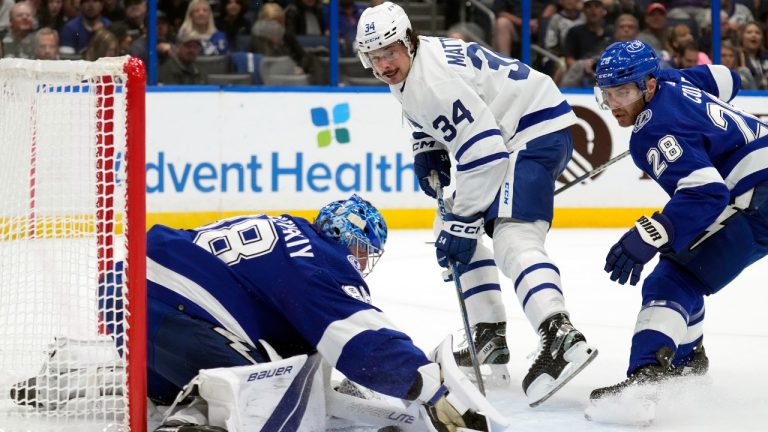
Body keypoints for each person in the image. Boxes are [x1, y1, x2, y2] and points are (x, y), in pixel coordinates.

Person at [355, 2, 598, 407]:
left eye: (390, 52)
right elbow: (442, 111)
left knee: (512, 236)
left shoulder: (430, 82)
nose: (384, 65)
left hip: (528, 134)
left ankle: (561, 338)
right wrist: (427, 143)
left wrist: (464, 220)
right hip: (519, 130)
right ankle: (487, 336)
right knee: (448, 225)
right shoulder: (418, 59)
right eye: (374, 56)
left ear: (408, 42)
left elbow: (484, 153)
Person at [142, 194, 504, 431]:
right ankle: (185, 423)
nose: (362, 262)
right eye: (363, 250)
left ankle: (181, 408)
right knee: (263, 390)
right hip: (173, 300)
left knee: (194, 384)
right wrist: (428, 386)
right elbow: (361, 337)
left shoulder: (289, 231)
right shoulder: (317, 261)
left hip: (132, 294)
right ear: (347, 237)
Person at [589, 39, 768, 407]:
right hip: (759, 182)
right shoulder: (674, 81)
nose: (613, 105)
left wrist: (649, 234)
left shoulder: (651, 133)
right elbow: (728, 78)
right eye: (608, 93)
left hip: (757, 196)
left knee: (672, 278)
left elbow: (706, 194)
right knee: (684, 260)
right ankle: (688, 361)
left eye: (623, 92)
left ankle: (645, 382)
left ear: (648, 85)